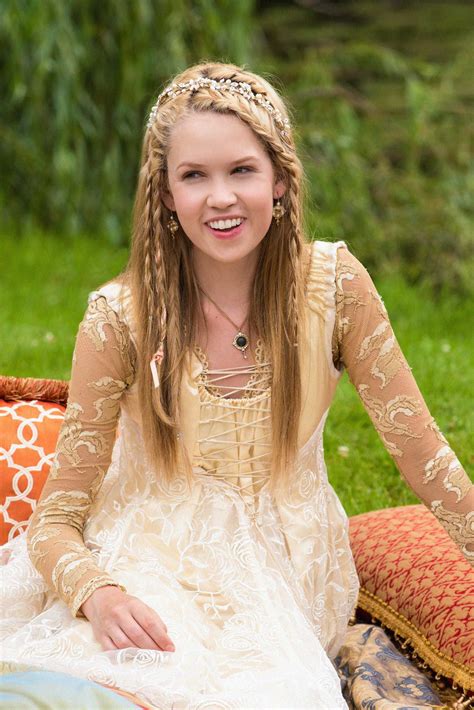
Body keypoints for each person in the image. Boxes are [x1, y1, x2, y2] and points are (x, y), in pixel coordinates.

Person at [1, 61, 472, 709]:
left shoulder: (336, 287)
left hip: (285, 574)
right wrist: (99, 595)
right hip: (149, 559)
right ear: (165, 193)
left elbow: (426, 460)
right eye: (194, 175)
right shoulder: (120, 317)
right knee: (102, 683)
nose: (220, 197)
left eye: (242, 170)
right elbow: (55, 520)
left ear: (279, 179)